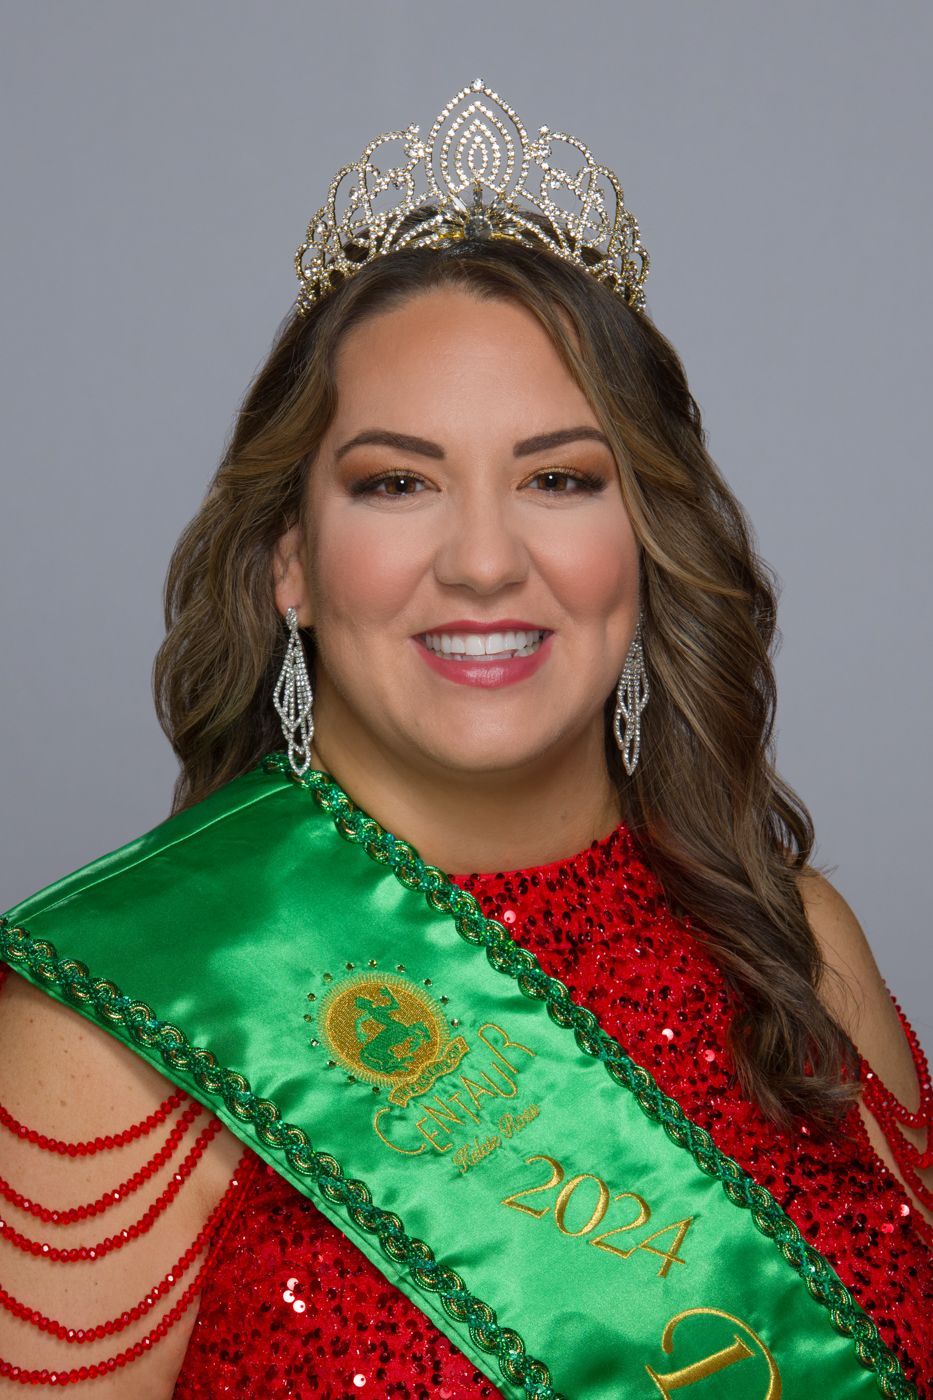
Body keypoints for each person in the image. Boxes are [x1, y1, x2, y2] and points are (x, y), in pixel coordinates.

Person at [0, 77, 930, 1399]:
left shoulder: (794, 943)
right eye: (396, 484)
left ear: (644, 546)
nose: (485, 560)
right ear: (290, 565)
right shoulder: (111, 1031)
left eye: (559, 479)